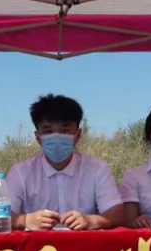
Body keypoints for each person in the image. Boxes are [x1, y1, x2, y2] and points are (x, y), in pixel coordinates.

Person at [8, 94, 123, 231]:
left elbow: (117, 214)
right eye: (48, 131)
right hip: (37, 245)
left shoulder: (97, 169)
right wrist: (26, 220)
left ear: (77, 135)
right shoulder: (20, 173)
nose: (56, 136)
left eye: (64, 130)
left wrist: (91, 220)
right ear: (38, 137)